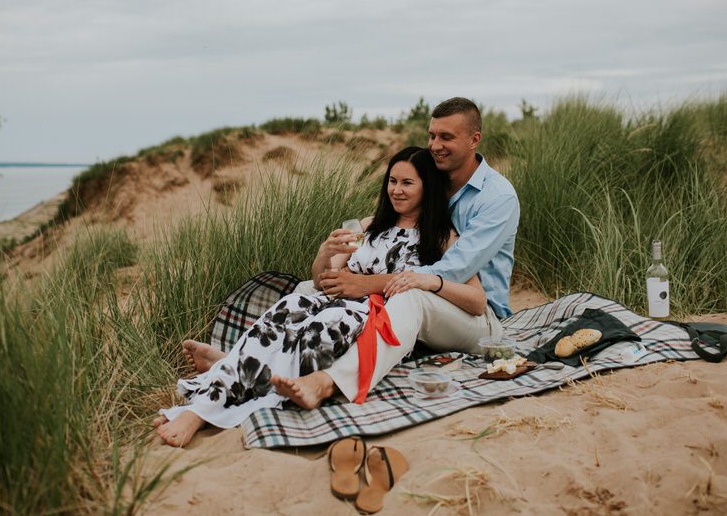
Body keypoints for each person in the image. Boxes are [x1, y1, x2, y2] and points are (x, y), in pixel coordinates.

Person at [154, 147, 487, 447]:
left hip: (371, 317)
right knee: (287, 309)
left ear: (427, 187)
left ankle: (207, 402)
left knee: (323, 326)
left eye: (407, 183)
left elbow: (476, 299)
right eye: (392, 181)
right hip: (333, 300)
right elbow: (323, 279)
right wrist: (324, 252)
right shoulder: (370, 225)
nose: (396, 190)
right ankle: (212, 390)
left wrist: (423, 281)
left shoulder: (442, 238)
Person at [272, 97, 519, 409]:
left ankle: (328, 383)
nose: (435, 145)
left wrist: (366, 284)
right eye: (432, 135)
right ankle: (259, 363)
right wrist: (339, 259)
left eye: (446, 137)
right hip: (417, 299)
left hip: (476, 315)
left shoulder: (497, 198)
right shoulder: (431, 180)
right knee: (308, 290)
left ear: (474, 140)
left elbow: (454, 269)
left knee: (409, 297)